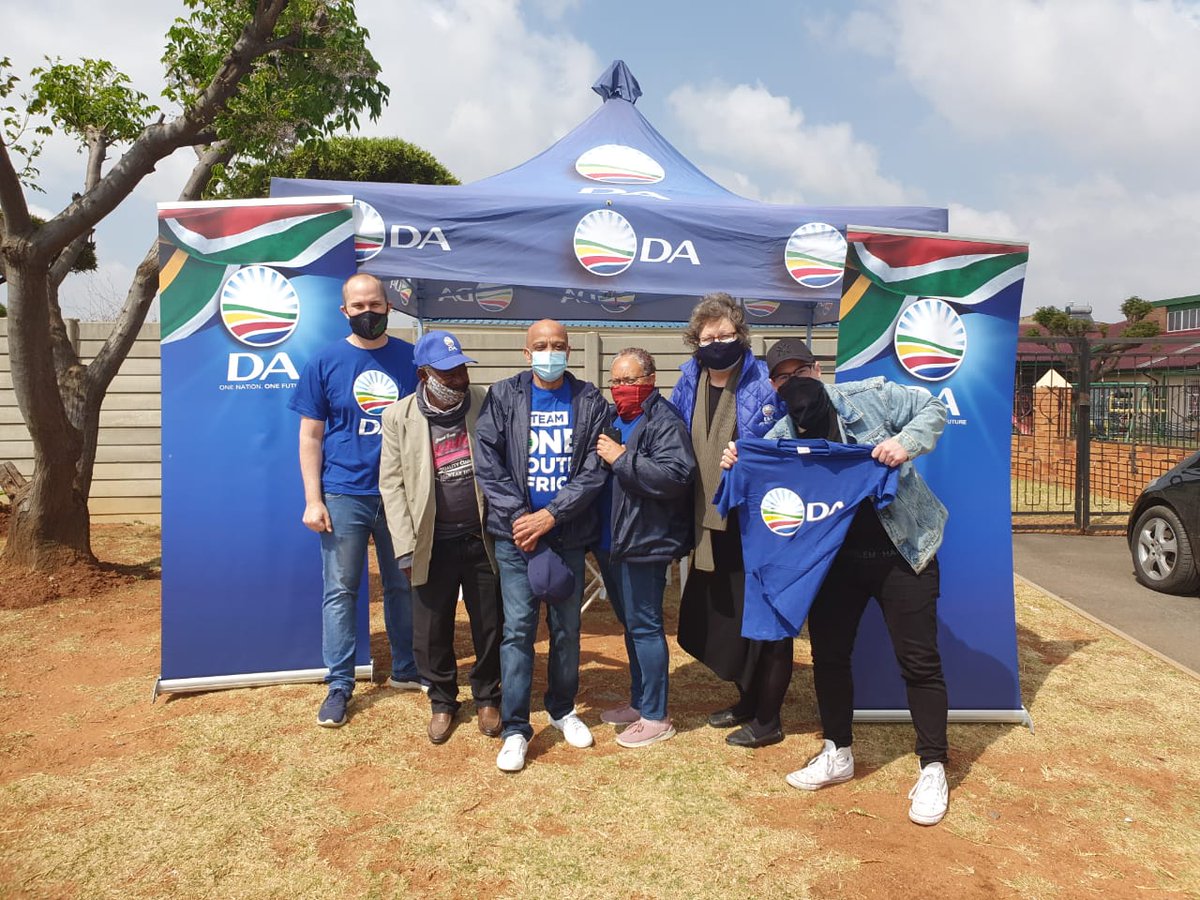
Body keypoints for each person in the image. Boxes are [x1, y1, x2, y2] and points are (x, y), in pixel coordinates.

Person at [721, 337, 951, 825]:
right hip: (832, 564)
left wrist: (903, 443)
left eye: (797, 371)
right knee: (829, 658)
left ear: (816, 367)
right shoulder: (778, 436)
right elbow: (763, 496)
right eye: (780, 377)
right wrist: (739, 464)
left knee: (919, 660)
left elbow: (932, 407)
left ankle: (933, 765)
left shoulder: (870, 395)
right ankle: (837, 750)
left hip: (902, 551)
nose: (791, 383)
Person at [474, 319, 609, 772]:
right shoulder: (503, 395)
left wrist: (552, 514)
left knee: (567, 629)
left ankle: (562, 707)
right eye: (540, 346)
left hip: (567, 533)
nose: (550, 352)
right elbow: (487, 460)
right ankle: (515, 728)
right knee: (518, 631)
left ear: (569, 350)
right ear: (525, 352)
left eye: (558, 345)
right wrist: (520, 518)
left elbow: (595, 468)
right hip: (516, 537)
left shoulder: (590, 400)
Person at [289, 273, 420, 728]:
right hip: (344, 491)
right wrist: (313, 499)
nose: (368, 312)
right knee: (341, 590)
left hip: (399, 494)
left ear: (389, 306)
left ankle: (406, 668)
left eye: (375, 304)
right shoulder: (324, 361)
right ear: (344, 311)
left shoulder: (411, 359)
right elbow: (310, 435)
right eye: (358, 306)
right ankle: (339, 685)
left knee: (404, 584)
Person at [669, 292, 790, 749]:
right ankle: (745, 697)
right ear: (695, 341)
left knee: (762, 618)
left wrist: (750, 458)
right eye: (708, 335)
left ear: (741, 335)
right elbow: (678, 433)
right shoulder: (690, 376)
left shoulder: (762, 381)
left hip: (754, 520)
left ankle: (768, 716)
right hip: (708, 517)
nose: (717, 341)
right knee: (726, 616)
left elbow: (786, 440)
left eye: (726, 334)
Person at [379, 329, 503, 745]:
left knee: (490, 622)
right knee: (431, 628)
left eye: (461, 368)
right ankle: (443, 700)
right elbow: (391, 485)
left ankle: (488, 694)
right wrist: (405, 546)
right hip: (430, 539)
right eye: (448, 372)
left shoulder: (485, 402)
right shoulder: (398, 417)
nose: (458, 378)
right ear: (424, 373)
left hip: (481, 535)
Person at [593, 348, 696, 749]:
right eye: (616, 381)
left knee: (646, 627)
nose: (622, 388)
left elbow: (676, 476)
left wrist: (623, 459)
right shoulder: (613, 417)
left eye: (630, 380)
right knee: (631, 627)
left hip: (644, 542)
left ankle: (657, 716)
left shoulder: (664, 421)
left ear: (650, 378)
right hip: (611, 542)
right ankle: (639, 702)